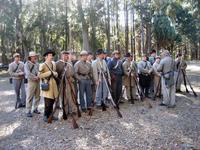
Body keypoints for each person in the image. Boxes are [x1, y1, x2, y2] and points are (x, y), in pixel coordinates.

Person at [55, 51, 78, 121]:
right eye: (65, 55)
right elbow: (56, 74)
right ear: (61, 56)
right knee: (64, 98)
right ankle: (66, 111)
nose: (66, 56)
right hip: (62, 83)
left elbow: (73, 72)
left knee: (72, 97)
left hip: (70, 82)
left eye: (67, 55)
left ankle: (73, 110)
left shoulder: (70, 62)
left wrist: (73, 79)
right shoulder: (58, 63)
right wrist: (60, 80)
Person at [38, 48, 59, 123]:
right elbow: (39, 75)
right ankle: (45, 116)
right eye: (50, 55)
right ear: (46, 57)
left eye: (52, 55)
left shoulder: (53, 63)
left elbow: (55, 72)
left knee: (53, 100)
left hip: (53, 84)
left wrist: (55, 74)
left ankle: (51, 115)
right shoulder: (42, 65)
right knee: (47, 102)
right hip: (47, 84)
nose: (51, 56)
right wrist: (49, 73)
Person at [25, 51, 40, 117]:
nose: (35, 57)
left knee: (38, 96)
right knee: (30, 96)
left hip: (38, 81)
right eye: (34, 56)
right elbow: (28, 74)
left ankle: (35, 108)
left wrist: (39, 76)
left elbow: (39, 71)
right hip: (31, 82)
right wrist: (35, 77)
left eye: (35, 56)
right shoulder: (27, 64)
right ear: (30, 57)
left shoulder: (37, 64)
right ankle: (28, 110)